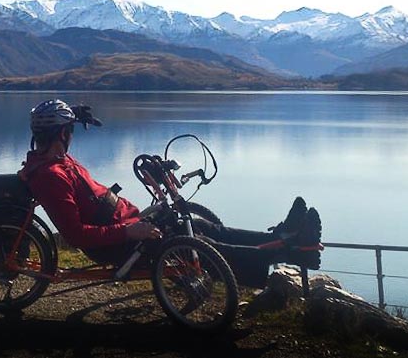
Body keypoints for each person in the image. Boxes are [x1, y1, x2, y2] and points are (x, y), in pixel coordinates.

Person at [18, 99, 320, 288]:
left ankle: (284, 234)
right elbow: (78, 236)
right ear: (62, 134)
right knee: (203, 243)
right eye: (69, 129)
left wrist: (75, 113)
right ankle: (289, 251)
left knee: (204, 227)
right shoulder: (51, 176)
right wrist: (130, 232)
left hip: (128, 223)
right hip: (120, 243)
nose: (72, 133)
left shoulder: (54, 159)